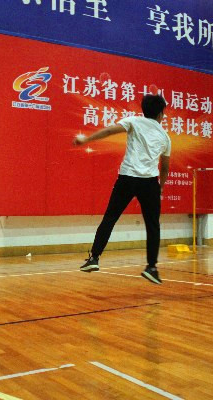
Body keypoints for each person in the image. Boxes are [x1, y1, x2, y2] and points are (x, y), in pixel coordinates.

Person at [73, 94, 171, 284]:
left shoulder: (134, 121)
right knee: (153, 225)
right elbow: (165, 168)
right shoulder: (165, 137)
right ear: (161, 114)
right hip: (150, 183)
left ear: (144, 110)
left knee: (110, 217)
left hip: (127, 178)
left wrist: (86, 140)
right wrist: (160, 188)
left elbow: (110, 130)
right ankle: (151, 267)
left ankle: (94, 258)